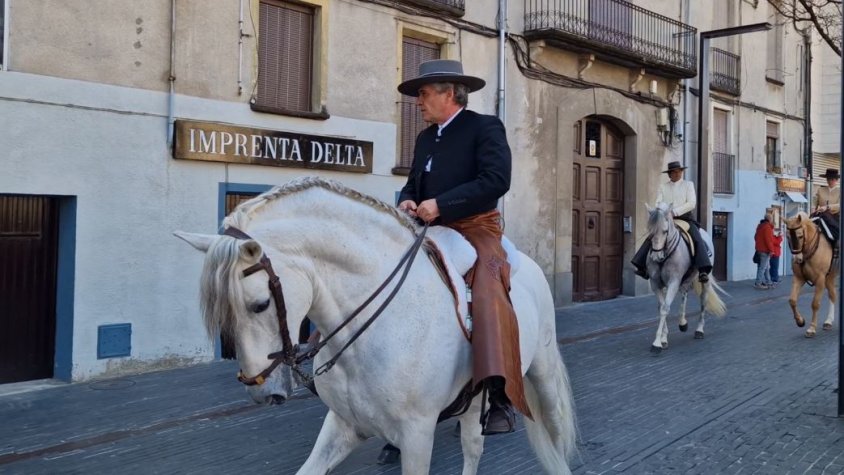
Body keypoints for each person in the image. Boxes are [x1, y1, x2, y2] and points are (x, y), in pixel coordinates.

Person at [396, 59, 527, 436]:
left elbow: (496, 180)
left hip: (475, 228)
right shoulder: (424, 138)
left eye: (423, 94)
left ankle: (499, 392)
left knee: (488, 285)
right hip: (428, 228)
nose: (417, 102)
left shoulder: (484, 127)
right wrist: (408, 200)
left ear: (449, 93)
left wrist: (442, 204)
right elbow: (413, 183)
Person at [631, 161, 713, 282]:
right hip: (665, 218)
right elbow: (658, 202)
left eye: (679, 171)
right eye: (674, 172)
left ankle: (703, 270)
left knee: (696, 237)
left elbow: (691, 203)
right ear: (669, 174)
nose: (677, 174)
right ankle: (642, 266)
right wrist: (663, 211)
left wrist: (674, 212)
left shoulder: (688, 185)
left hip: (685, 218)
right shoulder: (663, 187)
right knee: (653, 236)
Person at [812, 168, 840, 243]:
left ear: (836, 180)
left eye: (832, 179)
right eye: (828, 179)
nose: (830, 181)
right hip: (821, 215)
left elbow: (840, 205)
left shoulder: (840, 191)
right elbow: (814, 201)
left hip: (835, 217)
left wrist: (828, 207)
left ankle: (836, 244)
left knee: (838, 232)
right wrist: (813, 208)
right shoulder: (820, 190)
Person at [754, 214, 776, 290]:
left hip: (759, 249)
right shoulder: (767, 227)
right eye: (772, 218)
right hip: (765, 250)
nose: (772, 220)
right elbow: (768, 240)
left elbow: (755, 237)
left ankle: (768, 282)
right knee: (763, 267)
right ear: (770, 219)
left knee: (765, 267)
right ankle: (758, 283)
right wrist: (771, 250)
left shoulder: (760, 226)